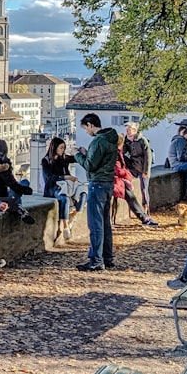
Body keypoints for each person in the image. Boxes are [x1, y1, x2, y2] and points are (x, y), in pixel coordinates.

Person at [73, 114, 118, 271]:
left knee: (95, 224)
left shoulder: (98, 141)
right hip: (108, 183)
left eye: (86, 128)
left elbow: (90, 165)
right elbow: (100, 161)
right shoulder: (111, 138)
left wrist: (77, 155)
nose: (86, 132)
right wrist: (87, 153)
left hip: (97, 184)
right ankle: (107, 257)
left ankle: (96, 260)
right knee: (105, 223)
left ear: (91, 125)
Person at [113, 139, 158, 227]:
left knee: (130, 195)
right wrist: (128, 177)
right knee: (130, 196)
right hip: (113, 181)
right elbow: (119, 170)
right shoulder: (115, 155)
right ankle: (144, 218)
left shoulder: (117, 153)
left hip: (116, 181)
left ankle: (144, 217)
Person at [41, 137, 79, 242]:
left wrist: (80, 152)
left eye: (64, 148)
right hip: (53, 188)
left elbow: (75, 159)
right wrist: (65, 177)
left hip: (66, 185)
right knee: (64, 198)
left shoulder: (64, 158)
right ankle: (65, 226)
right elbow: (49, 177)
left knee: (83, 194)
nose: (63, 150)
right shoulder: (46, 161)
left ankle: (72, 215)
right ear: (54, 148)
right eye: (61, 148)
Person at [0, 139, 34, 209]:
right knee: (24, 182)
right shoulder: (3, 166)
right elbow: (14, 186)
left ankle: (18, 206)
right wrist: (28, 190)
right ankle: (18, 207)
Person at [122, 122, 153, 211]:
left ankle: (146, 208)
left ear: (135, 130)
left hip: (142, 166)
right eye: (127, 129)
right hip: (133, 165)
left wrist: (146, 171)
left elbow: (148, 156)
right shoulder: (127, 140)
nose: (127, 131)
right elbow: (123, 152)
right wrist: (123, 142)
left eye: (129, 129)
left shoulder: (142, 140)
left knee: (144, 189)